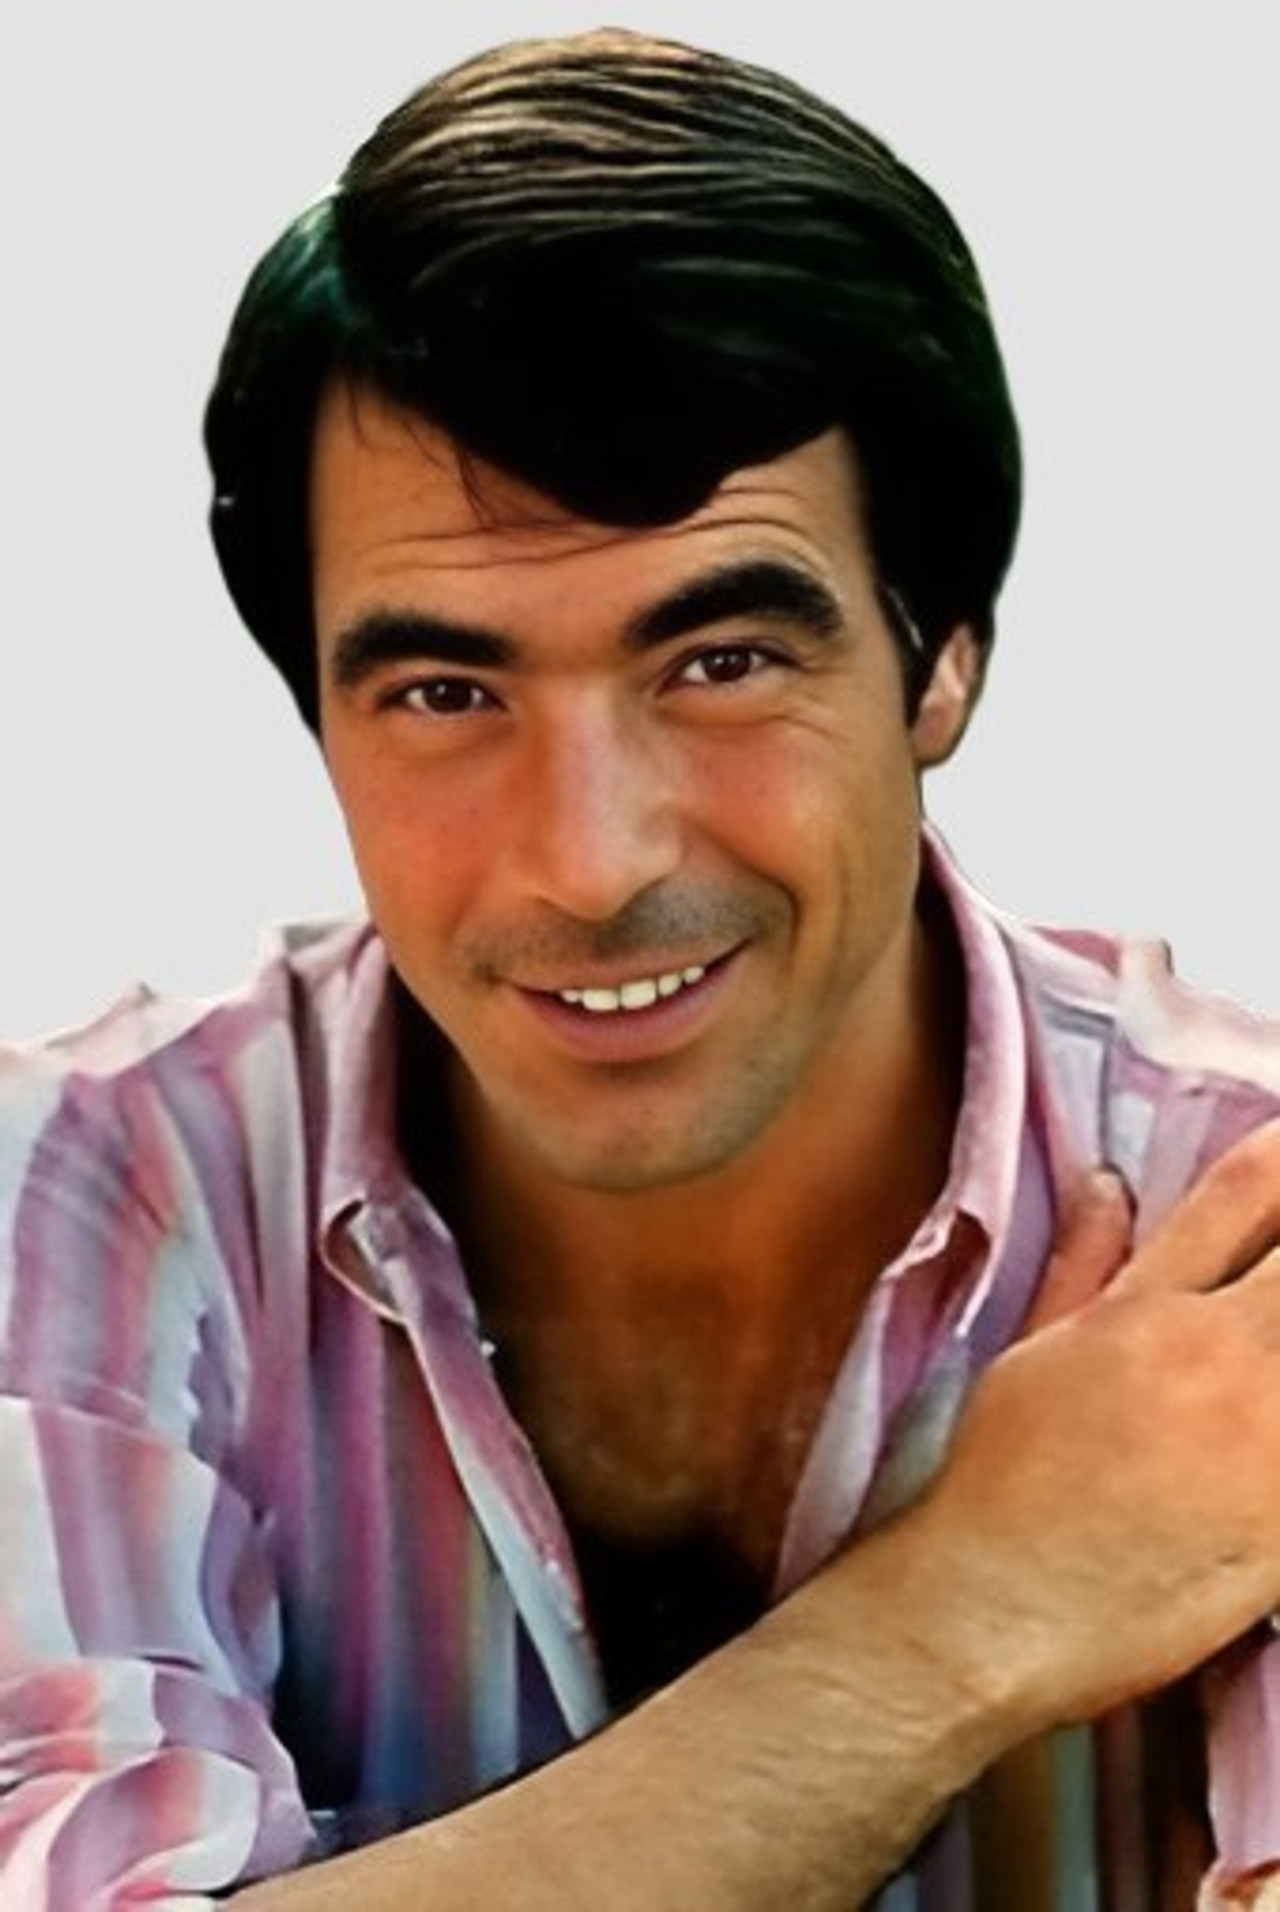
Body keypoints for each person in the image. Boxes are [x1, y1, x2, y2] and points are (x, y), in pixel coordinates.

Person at [4, 26, 1280, 1910]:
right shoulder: (84, 1194)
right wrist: (961, 1618)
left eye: (722, 664)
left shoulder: (1238, 1228)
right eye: (447, 694)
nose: (590, 861)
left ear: (943, 661)